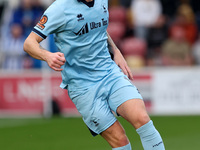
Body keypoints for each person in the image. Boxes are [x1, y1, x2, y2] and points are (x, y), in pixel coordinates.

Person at [24, 0, 165, 149]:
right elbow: (29, 43)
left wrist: (115, 50)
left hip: (109, 73)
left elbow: (98, 24)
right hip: (82, 86)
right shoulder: (59, 8)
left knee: (142, 119)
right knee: (119, 139)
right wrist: (47, 55)